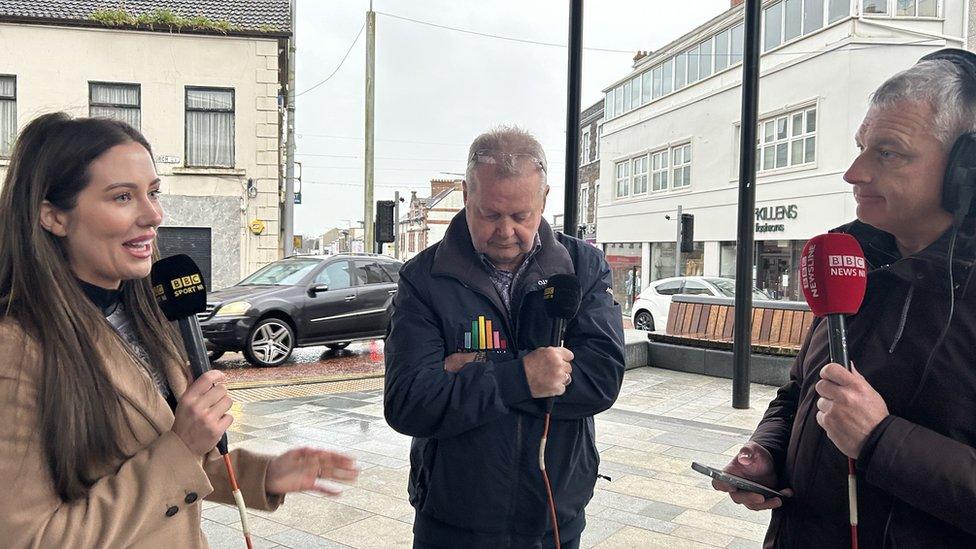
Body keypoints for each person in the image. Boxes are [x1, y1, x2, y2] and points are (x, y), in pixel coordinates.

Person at [0, 113, 360, 547]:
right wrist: (183, 445)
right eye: (122, 197)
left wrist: (266, 474)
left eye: (153, 192)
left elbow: (171, 459)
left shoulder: (146, 314)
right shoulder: (17, 350)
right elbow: (31, 537)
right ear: (53, 217)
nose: (153, 215)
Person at [712, 50, 976, 547]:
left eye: (888, 152)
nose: (853, 172)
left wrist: (881, 440)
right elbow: (800, 394)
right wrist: (767, 452)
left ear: (966, 171)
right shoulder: (847, 261)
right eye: (860, 147)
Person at [384, 126, 625, 548]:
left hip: (553, 517)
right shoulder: (423, 279)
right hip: (452, 521)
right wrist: (523, 376)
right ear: (466, 196)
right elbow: (409, 403)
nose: (506, 231)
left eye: (521, 216)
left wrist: (469, 368)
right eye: (491, 215)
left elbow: (601, 381)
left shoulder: (584, 268)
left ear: (544, 199)